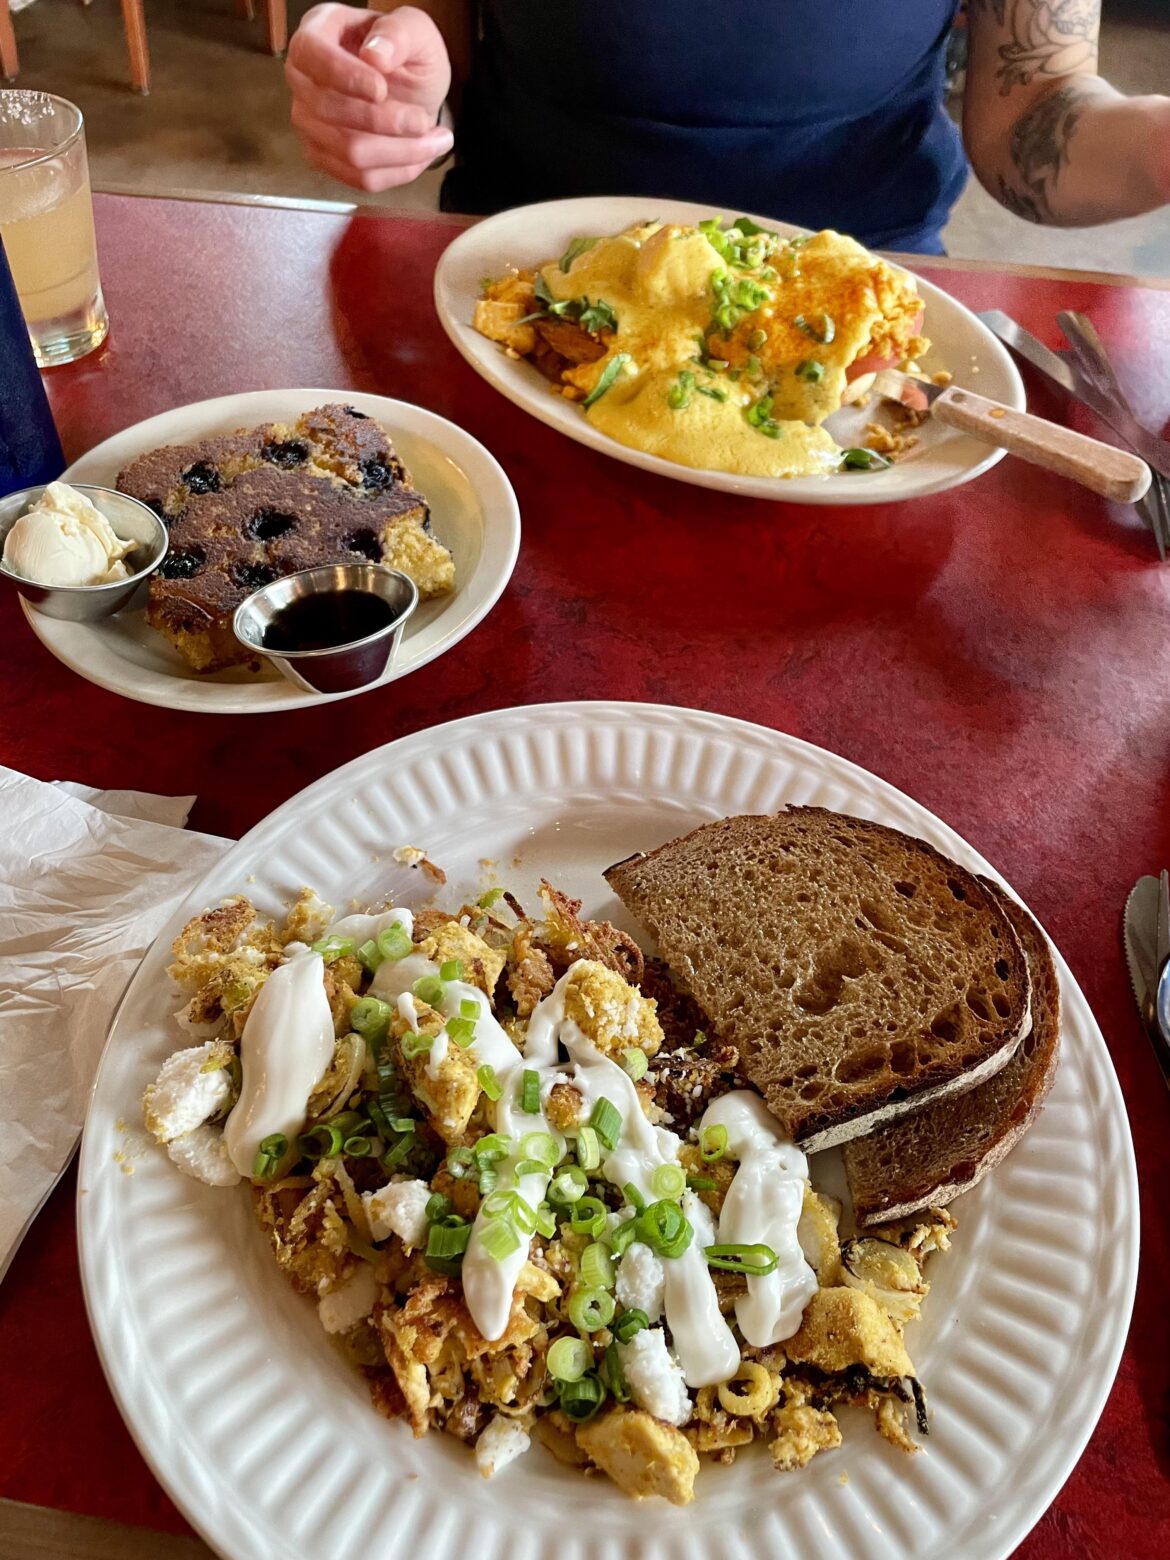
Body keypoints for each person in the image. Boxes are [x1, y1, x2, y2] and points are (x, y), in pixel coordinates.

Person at [285, 1, 1170, 255]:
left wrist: (1158, 148)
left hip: (856, 316)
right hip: (519, 286)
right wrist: (387, 90)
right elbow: (435, 45)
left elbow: (1036, 114)